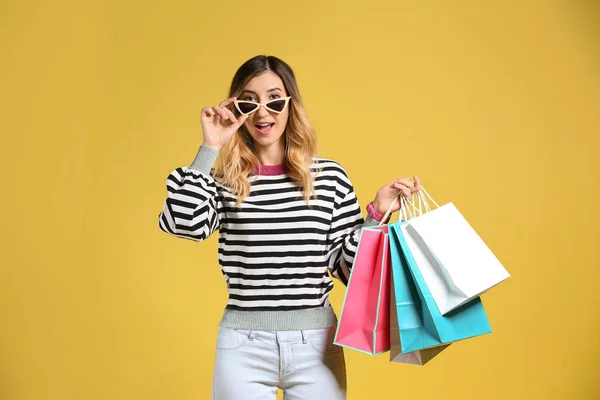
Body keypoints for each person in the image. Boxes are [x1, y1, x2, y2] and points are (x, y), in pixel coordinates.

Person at [158, 55, 420, 400]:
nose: (264, 113)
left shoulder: (328, 178)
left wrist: (376, 213)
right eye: (250, 102)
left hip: (316, 346)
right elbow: (183, 224)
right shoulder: (223, 181)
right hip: (242, 347)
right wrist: (211, 146)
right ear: (237, 109)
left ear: (290, 105)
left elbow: (348, 269)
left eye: (275, 100)